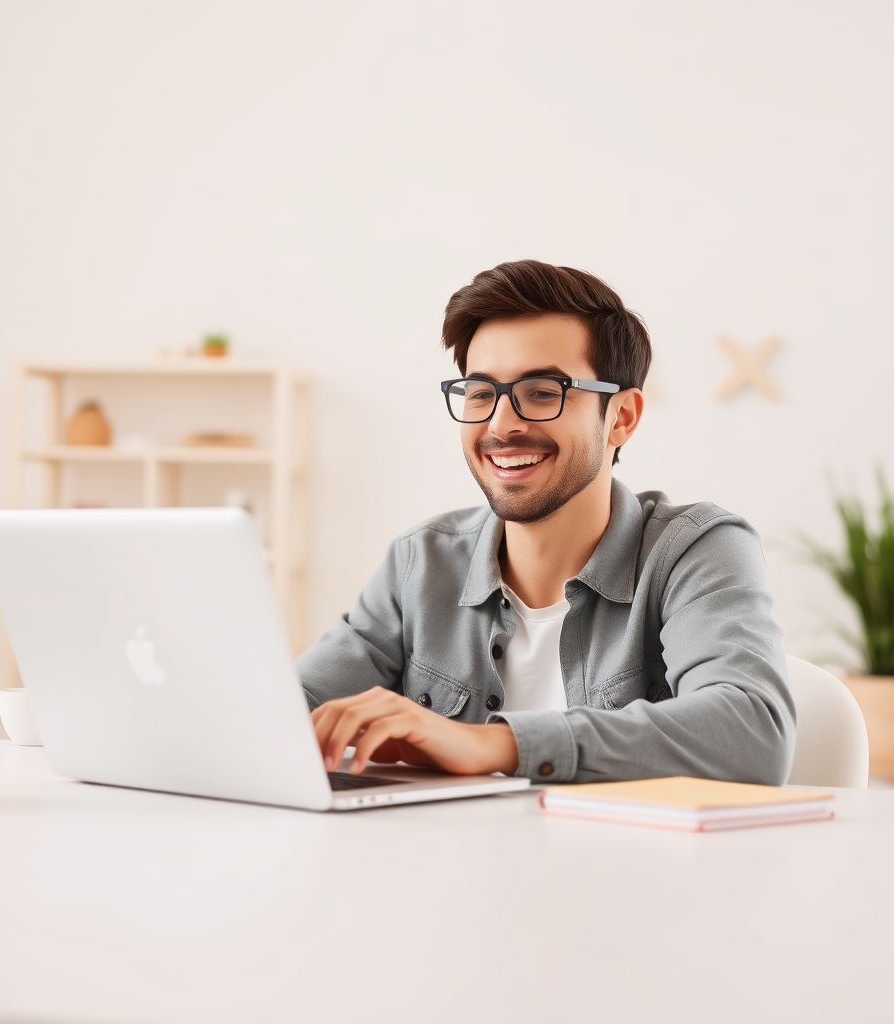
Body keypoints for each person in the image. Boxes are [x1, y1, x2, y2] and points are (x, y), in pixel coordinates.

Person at [298, 260, 795, 785]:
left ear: (621, 417)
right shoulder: (421, 562)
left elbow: (753, 733)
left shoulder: (696, 549)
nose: (501, 425)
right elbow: (279, 712)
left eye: (542, 392)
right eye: (480, 393)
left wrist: (492, 744)